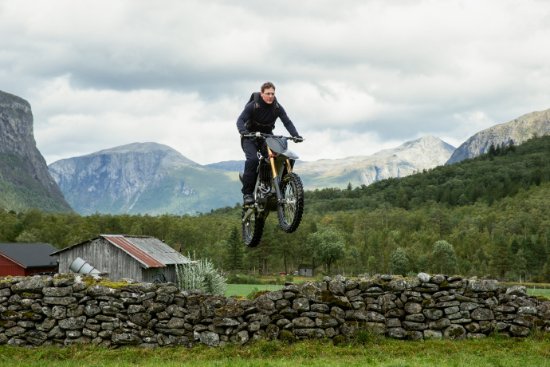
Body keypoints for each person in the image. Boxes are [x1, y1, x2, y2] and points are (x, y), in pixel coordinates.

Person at [236, 81, 302, 206]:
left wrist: (295, 135)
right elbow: (240, 120)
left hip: (266, 137)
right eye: (268, 93)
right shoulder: (253, 105)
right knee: (253, 160)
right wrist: (243, 131)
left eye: (272, 93)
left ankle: (278, 187)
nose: (270, 96)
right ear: (262, 94)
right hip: (250, 136)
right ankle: (248, 194)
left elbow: (287, 121)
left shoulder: (277, 107)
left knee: (280, 156)